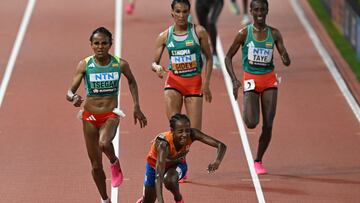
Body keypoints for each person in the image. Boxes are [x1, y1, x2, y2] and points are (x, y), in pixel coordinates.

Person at [66, 27, 147, 203]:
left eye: (104, 43)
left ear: (110, 44)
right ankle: (105, 199)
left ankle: (114, 162)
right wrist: (75, 98)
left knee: (104, 143)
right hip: (89, 117)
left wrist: (136, 106)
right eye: (96, 43)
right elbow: (69, 93)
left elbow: (132, 81)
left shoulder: (120, 64)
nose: (100, 47)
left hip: (111, 114)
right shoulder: (85, 65)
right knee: (95, 166)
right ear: (91, 45)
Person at [224, 0, 290, 175]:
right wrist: (234, 80)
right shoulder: (244, 34)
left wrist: (285, 56)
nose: (260, 12)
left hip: (269, 80)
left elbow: (284, 54)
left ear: (267, 10)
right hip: (251, 79)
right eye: (257, 10)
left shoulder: (274, 33)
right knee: (252, 123)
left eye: (263, 9)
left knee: (268, 125)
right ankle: (249, 105)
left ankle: (258, 160)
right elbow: (228, 57)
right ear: (251, 11)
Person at [136, 113, 227, 203]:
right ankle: (144, 199)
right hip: (154, 167)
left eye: (187, 130)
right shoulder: (163, 145)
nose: (185, 135)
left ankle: (178, 199)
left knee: (169, 180)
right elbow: (158, 175)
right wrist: (161, 201)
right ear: (172, 131)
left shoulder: (193, 134)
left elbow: (221, 145)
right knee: (148, 200)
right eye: (180, 131)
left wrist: (217, 162)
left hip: (176, 165)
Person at [195, 0, 224, 68]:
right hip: (201, 2)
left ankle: (214, 54)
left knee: (211, 23)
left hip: (216, 2)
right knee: (203, 28)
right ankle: (203, 52)